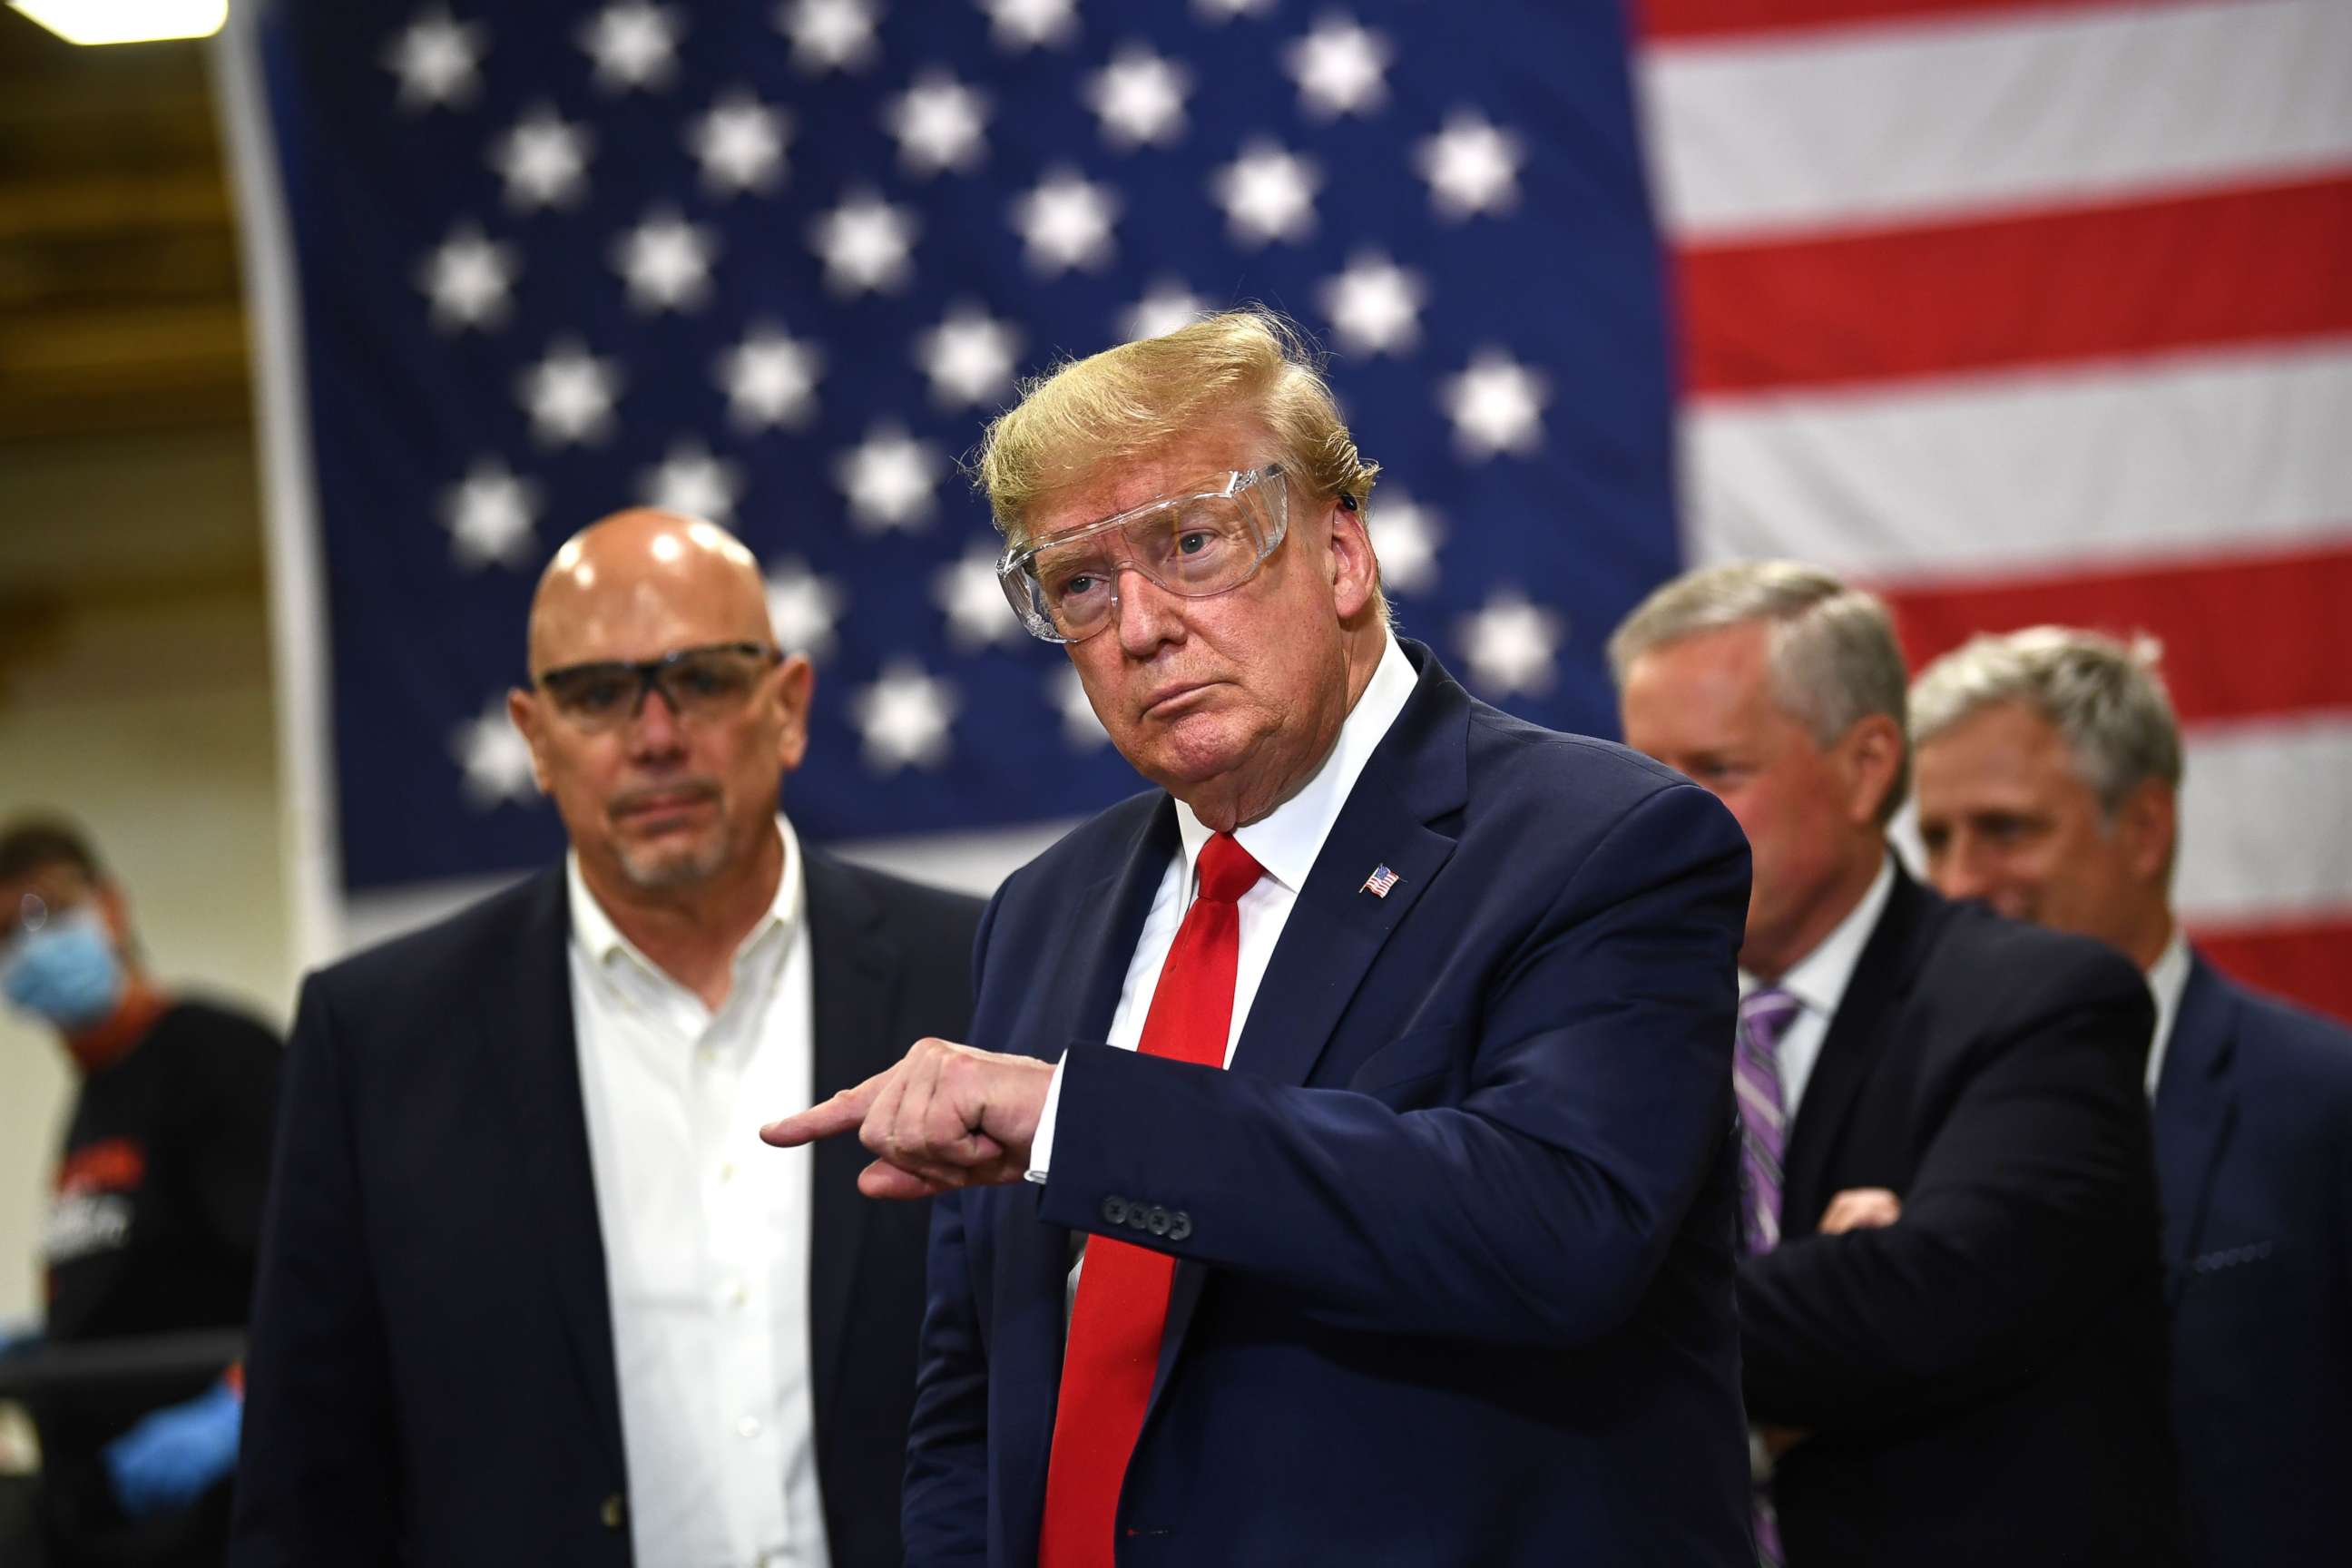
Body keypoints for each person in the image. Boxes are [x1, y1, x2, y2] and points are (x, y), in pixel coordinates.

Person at [763, 311, 1757, 1566]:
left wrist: (1083, 1120)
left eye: (1189, 543)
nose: (1140, 626)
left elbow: (1557, 1231)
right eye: (1079, 582)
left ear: (1343, 555)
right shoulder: (1044, 907)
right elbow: (981, 1388)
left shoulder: (1608, 842)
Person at [230, 512, 984, 1568]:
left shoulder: (983, 974)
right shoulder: (378, 1039)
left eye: (706, 680)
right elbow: (308, 1484)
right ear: (535, 738)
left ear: (790, 708)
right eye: (596, 696)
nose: (657, 736)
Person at [1609, 563, 2179, 1568]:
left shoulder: (2041, 1001)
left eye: (1717, 771)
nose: (1659, 819)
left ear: (1868, 765)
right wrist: (1814, 1291)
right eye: (1644, 776)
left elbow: (1928, 1298)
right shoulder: (1596, 1021)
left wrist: (1580, 1305)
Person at [1909, 625, 2352, 1568]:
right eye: (1937, 839)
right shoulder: (1885, 1109)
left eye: (2007, 829)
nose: (1957, 884)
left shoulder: (2324, 1107)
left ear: (2145, 828)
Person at [0, 818, 280, 1568]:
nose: (29, 946)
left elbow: (313, 1268)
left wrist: (241, 1407)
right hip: (104, 1521)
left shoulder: (220, 1056)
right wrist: (45, 1344)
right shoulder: (93, 1103)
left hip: (213, 1516)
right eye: (5, 935)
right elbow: (137, 1270)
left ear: (111, 908)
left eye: (45, 915)